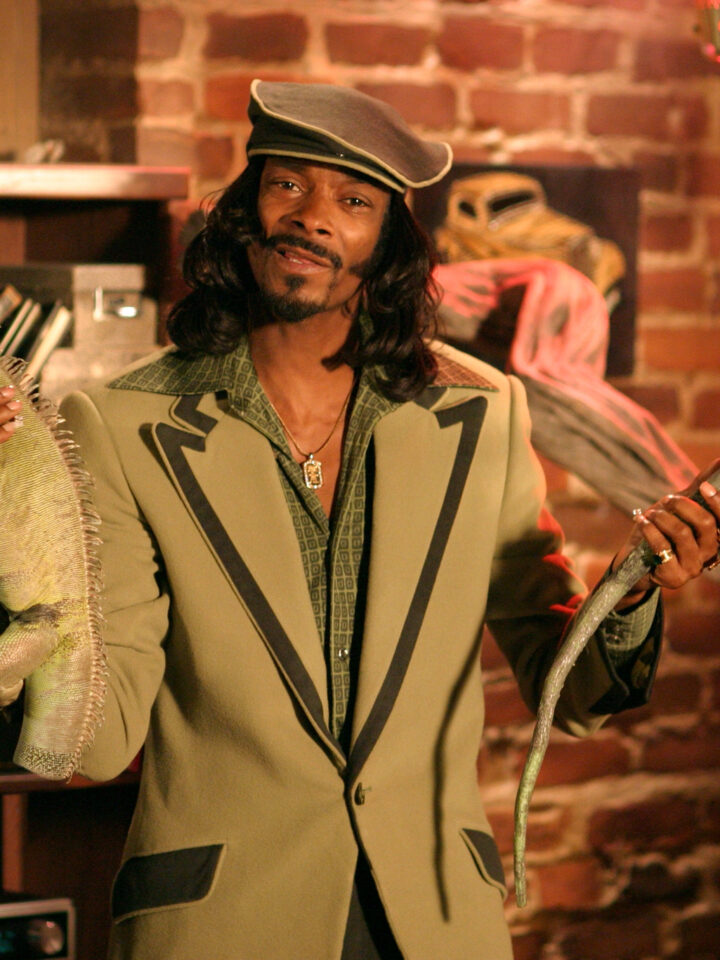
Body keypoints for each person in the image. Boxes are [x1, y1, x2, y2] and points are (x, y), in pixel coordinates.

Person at [0, 80, 718, 960]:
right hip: (221, 924)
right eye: (287, 185)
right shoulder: (124, 424)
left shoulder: (482, 414)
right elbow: (99, 736)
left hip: (431, 923)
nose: (312, 217)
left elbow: (568, 692)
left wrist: (634, 589)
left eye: (353, 201)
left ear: (388, 245)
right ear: (244, 212)